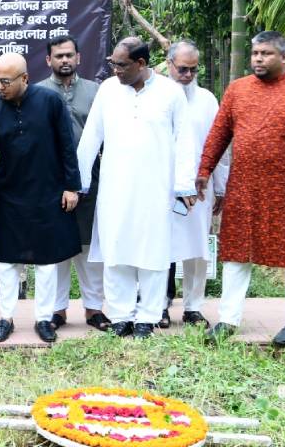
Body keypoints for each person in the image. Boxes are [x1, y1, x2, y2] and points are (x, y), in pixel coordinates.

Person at [197, 31, 285, 347]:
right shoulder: (237, 90)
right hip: (243, 190)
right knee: (235, 255)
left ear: (284, 58)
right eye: (255, 53)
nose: (258, 58)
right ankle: (228, 319)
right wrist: (204, 169)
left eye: (266, 53)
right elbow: (219, 135)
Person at [76, 37, 196, 339]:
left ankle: (148, 317)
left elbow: (185, 140)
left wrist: (184, 185)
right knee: (117, 251)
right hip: (115, 188)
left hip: (156, 189)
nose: (115, 70)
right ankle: (121, 316)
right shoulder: (108, 91)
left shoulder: (171, 93)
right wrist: (79, 183)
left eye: (121, 64)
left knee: (153, 254)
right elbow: (91, 137)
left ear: (141, 64)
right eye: (112, 63)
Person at [0, 53, 81, 344]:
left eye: (5, 81)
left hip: (48, 192)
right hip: (11, 193)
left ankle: (44, 319)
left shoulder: (50, 102)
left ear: (25, 79)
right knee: (6, 261)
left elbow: (67, 145)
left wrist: (72, 186)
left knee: (46, 262)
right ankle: (6, 318)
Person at [37, 35, 107, 331]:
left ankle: (94, 309)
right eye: (58, 56)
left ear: (78, 58)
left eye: (69, 55)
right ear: (48, 60)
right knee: (55, 248)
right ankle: (57, 310)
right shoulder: (36, 92)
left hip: (90, 179)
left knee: (89, 247)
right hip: (49, 181)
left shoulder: (96, 91)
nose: (64, 60)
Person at [160, 41, 228, 329]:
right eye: (182, 69)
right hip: (161, 185)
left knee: (197, 248)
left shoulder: (207, 100)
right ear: (169, 63)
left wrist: (222, 187)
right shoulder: (155, 96)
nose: (187, 75)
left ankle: (193, 307)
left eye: (193, 70)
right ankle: (158, 305)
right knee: (160, 247)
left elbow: (221, 147)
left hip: (200, 186)